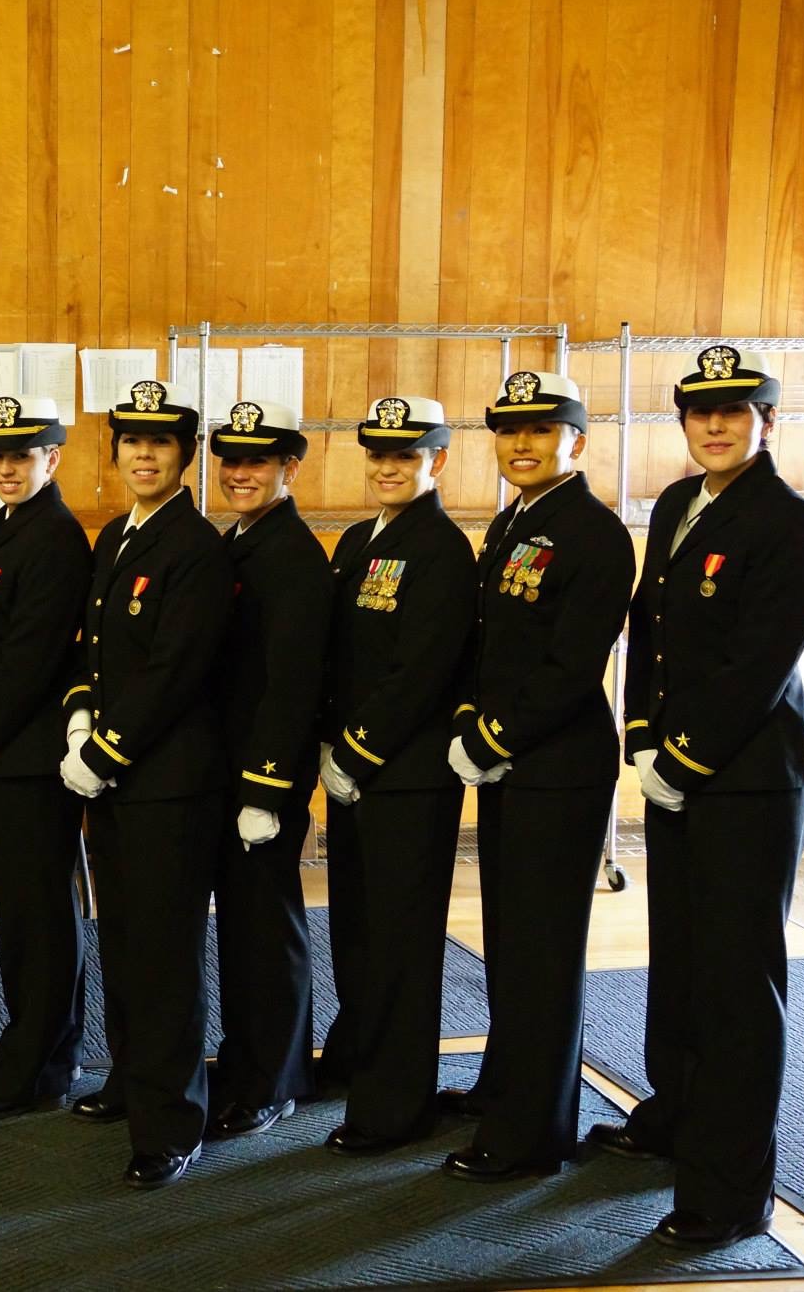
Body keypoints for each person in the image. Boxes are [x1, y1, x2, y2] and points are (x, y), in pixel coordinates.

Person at [588, 346, 804, 1250]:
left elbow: (758, 664)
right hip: (680, 768)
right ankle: (677, 1116)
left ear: (767, 422)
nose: (716, 426)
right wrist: (644, 731)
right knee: (683, 958)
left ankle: (732, 1192)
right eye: (701, 412)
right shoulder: (679, 504)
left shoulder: (790, 522)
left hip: (750, 778)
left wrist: (682, 759)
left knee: (736, 982)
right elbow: (648, 627)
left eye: (735, 411)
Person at [439, 373, 633, 1181]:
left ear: (575, 441)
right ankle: (506, 1087)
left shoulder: (593, 532)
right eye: (509, 430)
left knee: (543, 954)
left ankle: (531, 1136)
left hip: (557, 767)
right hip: (511, 764)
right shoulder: (514, 521)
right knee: (512, 942)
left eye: (541, 430)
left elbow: (570, 666)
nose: (521, 444)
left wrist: (492, 736)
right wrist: (475, 725)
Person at [61, 379, 233, 1190]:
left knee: (164, 960)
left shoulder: (195, 548)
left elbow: (175, 670)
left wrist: (105, 749)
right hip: (117, 787)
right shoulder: (116, 536)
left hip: (167, 786)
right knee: (124, 944)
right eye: (131, 440)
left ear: (185, 454)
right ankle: (132, 1081)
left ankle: (172, 1124)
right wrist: (80, 715)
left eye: (159, 442)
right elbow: (96, 650)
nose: (143, 454)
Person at [319, 395, 475, 1156]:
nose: (387, 467)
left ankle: (396, 1104)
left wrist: (354, 751)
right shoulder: (359, 538)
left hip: (405, 776)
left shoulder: (442, 548)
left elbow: (420, 671)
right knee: (356, 929)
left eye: (405, 455)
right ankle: (359, 1056)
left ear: (436, 460)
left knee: (401, 946)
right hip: (353, 771)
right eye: (378, 454)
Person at [0, 394, 92, 1116]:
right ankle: (39, 1044)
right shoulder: (7, 525)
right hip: (11, 755)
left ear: (52, 458)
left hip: (30, 757)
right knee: (26, 912)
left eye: (22, 456)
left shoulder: (55, 537)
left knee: (39, 918)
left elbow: (29, 661)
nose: (6, 468)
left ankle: (37, 1068)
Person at [205, 400, 327, 1140]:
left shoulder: (292, 556)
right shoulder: (241, 542)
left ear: (290, 467)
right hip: (228, 771)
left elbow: (293, 685)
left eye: (257, 461)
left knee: (267, 928)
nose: (240, 473)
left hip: (263, 777)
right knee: (244, 927)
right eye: (231, 460)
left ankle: (274, 1082)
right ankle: (250, 1060)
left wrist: (268, 787)